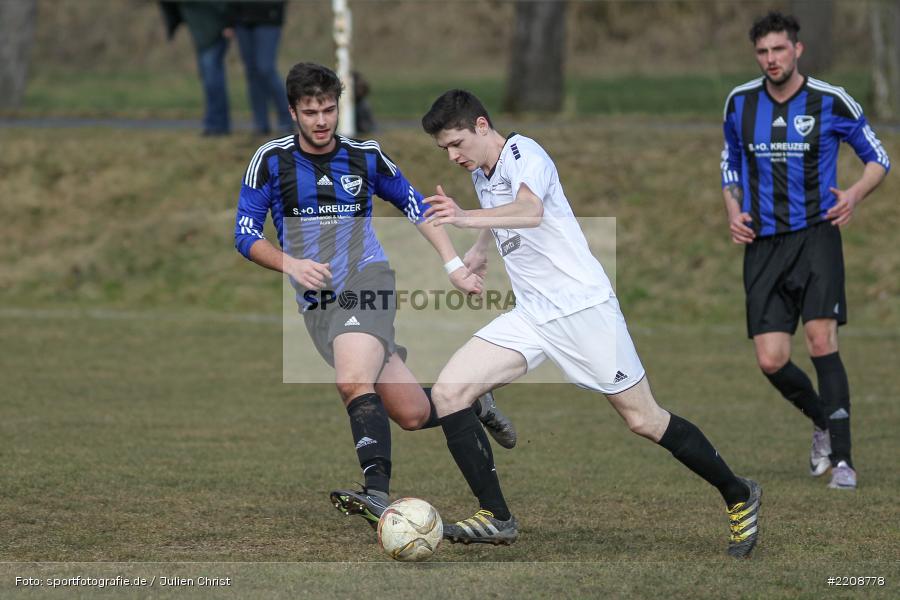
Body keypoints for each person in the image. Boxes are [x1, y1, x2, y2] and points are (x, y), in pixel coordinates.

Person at [416, 90, 761, 558]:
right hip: (533, 314)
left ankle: (739, 493)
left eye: (456, 143)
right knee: (448, 393)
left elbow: (530, 211)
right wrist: (479, 249)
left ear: (481, 126)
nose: (453, 156)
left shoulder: (525, 152)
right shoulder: (483, 170)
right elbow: (503, 214)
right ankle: (496, 516)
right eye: (445, 150)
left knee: (643, 418)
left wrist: (461, 217)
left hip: (583, 310)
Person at [233, 63, 516, 530]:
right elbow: (245, 234)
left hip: (368, 283)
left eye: (329, 109)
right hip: (317, 305)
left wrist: (452, 264)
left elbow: (414, 205)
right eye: (310, 112)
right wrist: (291, 263)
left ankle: (376, 494)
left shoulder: (366, 156)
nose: (322, 120)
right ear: (293, 112)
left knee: (351, 381)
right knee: (411, 412)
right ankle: (474, 402)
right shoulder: (270, 160)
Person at [721, 12, 890, 490]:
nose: (771, 59)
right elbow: (729, 161)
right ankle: (822, 421)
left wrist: (854, 195)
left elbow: (879, 159)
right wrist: (733, 209)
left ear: (798, 50)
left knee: (821, 341)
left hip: (816, 237)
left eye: (779, 49)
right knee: (771, 359)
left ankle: (844, 460)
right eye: (762, 52)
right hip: (763, 245)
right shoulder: (740, 103)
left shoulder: (830, 100)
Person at [160, 1, 232, 136]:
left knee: (212, 80)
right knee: (209, 79)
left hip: (215, 31)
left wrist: (228, 22)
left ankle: (218, 126)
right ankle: (214, 124)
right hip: (203, 34)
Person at [232, 1, 293, 135]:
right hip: (241, 18)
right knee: (252, 73)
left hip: (268, 17)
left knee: (265, 68)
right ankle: (261, 124)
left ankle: (287, 119)